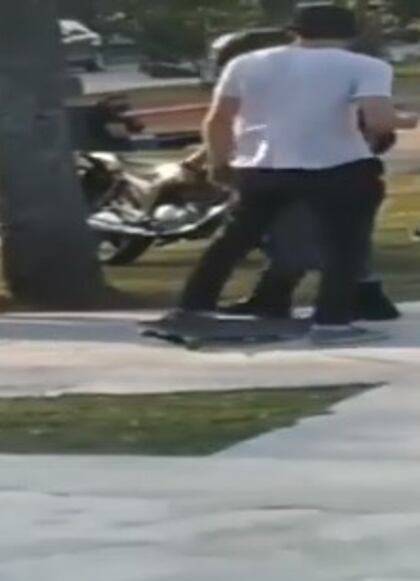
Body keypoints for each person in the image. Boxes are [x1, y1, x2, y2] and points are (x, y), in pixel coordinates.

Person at [167, 4, 418, 344]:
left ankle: (193, 306)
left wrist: (218, 163)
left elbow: (218, 119)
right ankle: (332, 322)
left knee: (232, 240)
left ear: (294, 30)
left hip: (262, 166)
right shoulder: (366, 66)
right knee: (344, 245)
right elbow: (378, 121)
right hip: (338, 165)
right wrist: (407, 118)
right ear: (351, 33)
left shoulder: (246, 63)